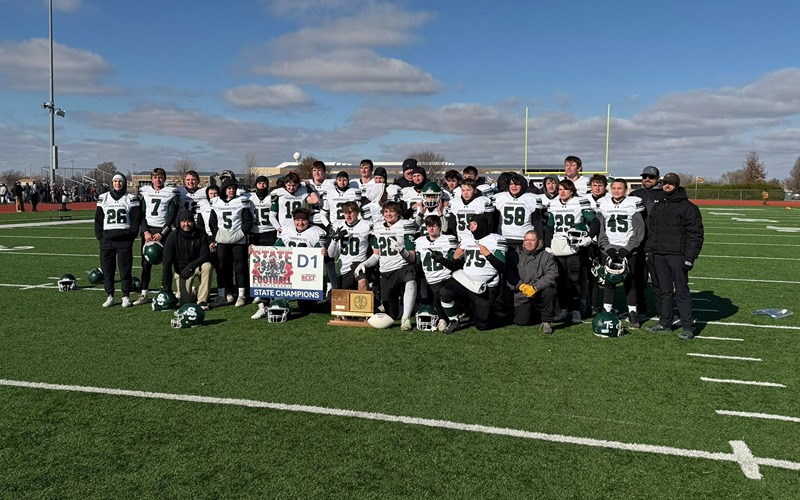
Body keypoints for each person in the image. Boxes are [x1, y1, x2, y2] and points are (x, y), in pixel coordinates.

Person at [645, 173, 704, 340]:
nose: (666, 186)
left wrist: (689, 257)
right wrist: (650, 251)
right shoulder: (659, 206)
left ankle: (688, 326)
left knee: (682, 292)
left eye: (670, 184)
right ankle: (665, 323)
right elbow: (652, 231)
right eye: (664, 183)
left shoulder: (688, 207)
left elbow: (696, 235)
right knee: (664, 292)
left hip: (677, 256)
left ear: (677, 185)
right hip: (659, 255)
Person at [438, 213, 507, 333]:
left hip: (484, 287)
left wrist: (488, 254)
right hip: (465, 280)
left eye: (474, 224)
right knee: (444, 292)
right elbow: (456, 265)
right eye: (470, 224)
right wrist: (452, 258)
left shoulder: (495, 240)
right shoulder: (467, 239)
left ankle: (483, 310)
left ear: (483, 225)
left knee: (483, 325)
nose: (471, 227)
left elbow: (502, 267)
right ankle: (454, 320)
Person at [544, 179, 598, 324]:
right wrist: (548, 245)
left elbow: (595, 221)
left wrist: (589, 237)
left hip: (574, 247)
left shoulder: (580, 202)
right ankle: (563, 309)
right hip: (557, 247)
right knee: (560, 280)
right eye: (560, 189)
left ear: (572, 191)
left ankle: (576, 310)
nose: (561, 192)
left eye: (565, 189)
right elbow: (549, 227)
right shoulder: (554, 203)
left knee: (575, 281)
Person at [357, 201, 418, 330]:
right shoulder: (378, 228)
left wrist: (402, 250)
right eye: (386, 211)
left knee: (410, 278)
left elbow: (412, 258)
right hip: (385, 272)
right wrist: (365, 263)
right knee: (392, 315)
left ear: (398, 213)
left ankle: (406, 318)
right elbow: (376, 255)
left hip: (402, 268)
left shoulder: (404, 226)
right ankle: (404, 309)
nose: (388, 214)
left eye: (392, 211)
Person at [596, 179, 645, 328]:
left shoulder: (633, 203)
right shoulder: (604, 203)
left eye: (620, 188)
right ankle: (607, 310)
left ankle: (632, 312)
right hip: (609, 248)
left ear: (626, 190)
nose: (617, 191)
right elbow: (601, 229)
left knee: (630, 282)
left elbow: (639, 230)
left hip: (628, 249)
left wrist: (628, 248)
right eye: (614, 188)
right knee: (609, 281)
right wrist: (607, 246)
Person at [94, 173, 142, 307]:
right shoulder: (103, 198)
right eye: (115, 181)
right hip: (107, 240)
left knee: (125, 269)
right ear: (112, 183)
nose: (117, 184)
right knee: (107, 269)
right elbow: (98, 219)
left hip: (124, 240)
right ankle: (110, 295)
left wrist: (131, 236)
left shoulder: (130, 198)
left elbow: (135, 219)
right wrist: (100, 236)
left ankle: (125, 296)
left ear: (124, 183)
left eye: (120, 182)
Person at [134, 167, 180, 305]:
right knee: (145, 263)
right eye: (155, 177)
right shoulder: (145, 191)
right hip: (148, 230)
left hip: (163, 231)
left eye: (160, 177)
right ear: (151, 178)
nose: (158, 180)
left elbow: (172, 215)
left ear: (164, 179)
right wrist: (145, 231)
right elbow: (140, 214)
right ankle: (144, 293)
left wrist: (162, 233)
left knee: (167, 263)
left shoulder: (170, 192)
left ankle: (166, 291)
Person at [209, 178, 253, 307]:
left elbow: (248, 221)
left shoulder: (241, 201)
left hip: (238, 240)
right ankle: (222, 295)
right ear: (224, 190)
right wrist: (216, 235)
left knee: (240, 267)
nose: (232, 190)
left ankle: (241, 295)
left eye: (233, 188)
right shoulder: (216, 202)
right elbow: (212, 222)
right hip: (222, 239)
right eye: (229, 188)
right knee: (222, 267)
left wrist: (240, 234)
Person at [630, 166, 666, 321]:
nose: (647, 179)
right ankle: (641, 310)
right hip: (639, 242)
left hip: (658, 243)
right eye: (645, 177)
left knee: (660, 280)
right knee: (639, 280)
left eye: (651, 177)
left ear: (658, 179)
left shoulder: (665, 195)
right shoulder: (634, 195)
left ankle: (663, 312)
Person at [505, 230, 558, 333]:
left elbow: (552, 274)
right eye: (527, 240)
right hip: (522, 293)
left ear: (538, 241)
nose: (529, 243)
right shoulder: (514, 255)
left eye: (532, 240)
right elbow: (509, 275)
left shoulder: (546, 256)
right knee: (521, 321)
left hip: (539, 291)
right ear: (523, 241)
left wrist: (535, 287)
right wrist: (521, 286)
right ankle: (535, 311)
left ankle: (546, 321)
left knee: (550, 290)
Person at [161, 210, 213, 309]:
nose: (186, 224)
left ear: (193, 222)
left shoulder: (201, 235)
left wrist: (191, 266)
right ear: (179, 222)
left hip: (196, 266)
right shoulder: (172, 237)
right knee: (185, 303)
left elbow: (205, 255)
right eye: (183, 221)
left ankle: (202, 300)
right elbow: (167, 262)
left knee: (208, 266)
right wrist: (165, 287)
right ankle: (193, 294)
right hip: (182, 271)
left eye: (189, 221)